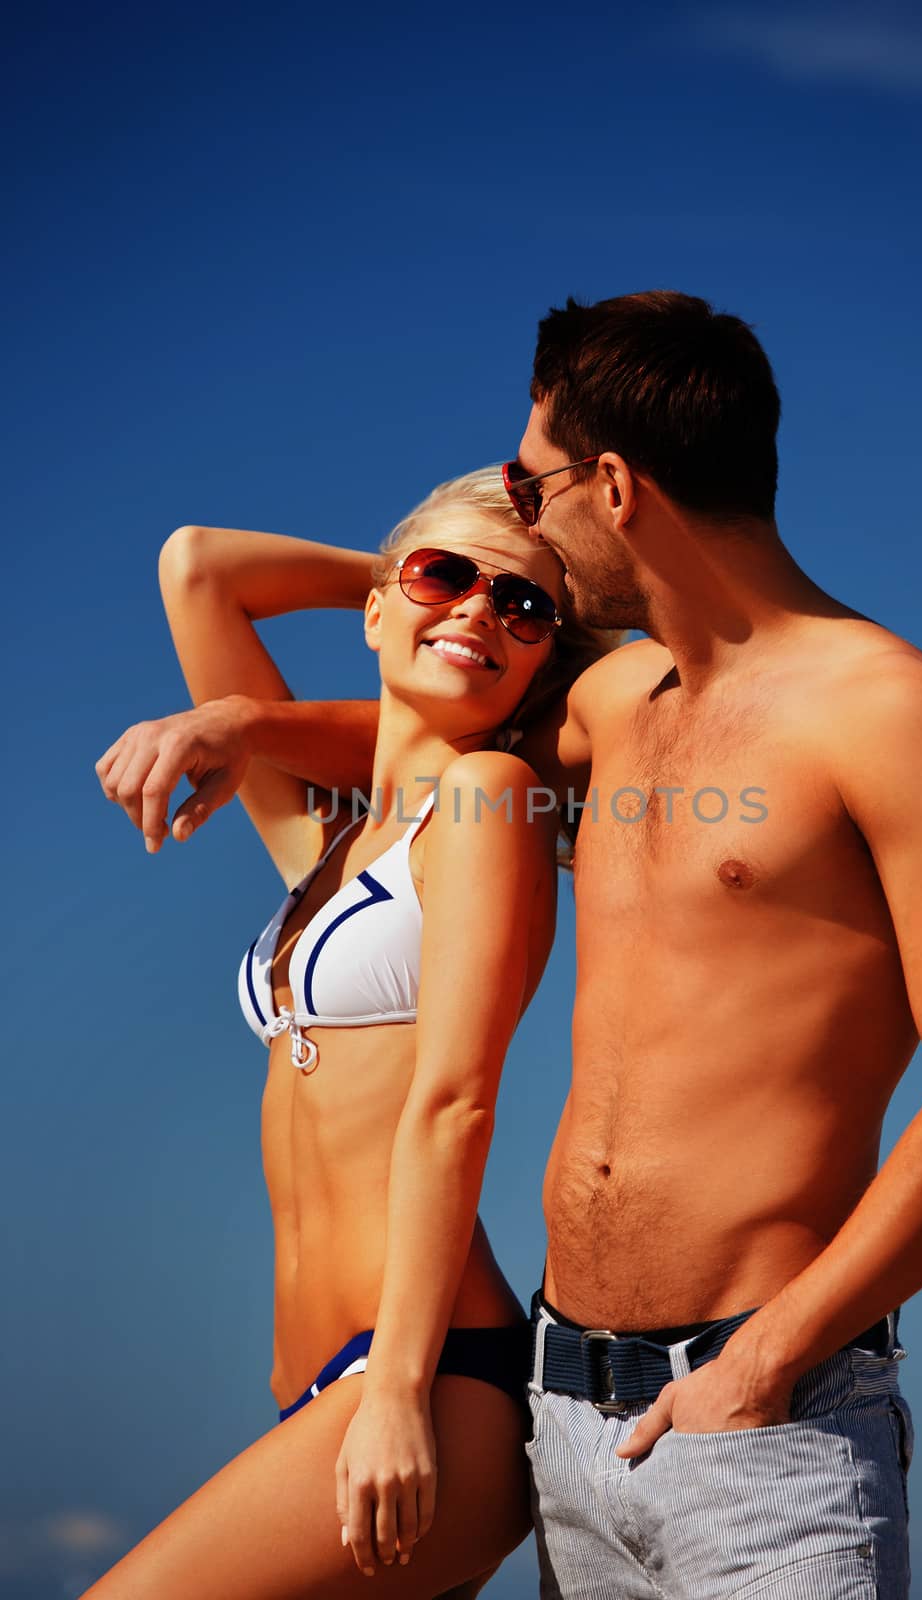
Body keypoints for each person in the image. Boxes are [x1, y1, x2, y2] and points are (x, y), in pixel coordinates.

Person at [98, 292, 922, 1600]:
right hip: (563, 1415)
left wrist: (763, 1361)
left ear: (611, 484)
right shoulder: (611, 704)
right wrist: (234, 722)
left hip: (757, 1425)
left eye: (528, 480)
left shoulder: (888, 714)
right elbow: (417, 745)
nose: (523, 510)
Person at [90, 466, 619, 1599]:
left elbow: (456, 1100)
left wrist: (391, 1393)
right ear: (380, 604)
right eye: (444, 579)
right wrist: (402, 587)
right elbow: (199, 566)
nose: (482, 611)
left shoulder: (487, 809)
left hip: (425, 1382)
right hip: (320, 1388)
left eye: (524, 609)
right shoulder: (324, 849)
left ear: (542, 662)